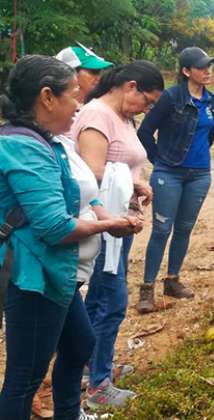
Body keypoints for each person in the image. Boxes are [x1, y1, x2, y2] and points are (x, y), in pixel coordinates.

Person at [0, 55, 139, 420]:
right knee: (24, 378)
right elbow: (54, 228)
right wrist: (108, 226)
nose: (79, 105)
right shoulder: (24, 147)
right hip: (33, 277)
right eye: (73, 95)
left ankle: (69, 414)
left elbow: (79, 193)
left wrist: (105, 213)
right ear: (47, 97)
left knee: (79, 344)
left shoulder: (48, 141)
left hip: (57, 275)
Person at [71, 60, 164, 408]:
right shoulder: (97, 117)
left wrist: (135, 183)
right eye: (147, 100)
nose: (147, 108)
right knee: (112, 303)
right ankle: (98, 386)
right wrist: (126, 194)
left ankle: (88, 365)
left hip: (119, 224)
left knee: (97, 299)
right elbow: (91, 176)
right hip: (105, 226)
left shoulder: (122, 117)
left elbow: (117, 167)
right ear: (130, 86)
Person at [135, 47, 214, 313]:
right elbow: (146, 132)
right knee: (162, 230)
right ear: (186, 71)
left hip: (200, 174)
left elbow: (209, 139)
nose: (207, 70)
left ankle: (172, 280)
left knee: (184, 228)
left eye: (210, 66)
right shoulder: (171, 98)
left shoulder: (213, 103)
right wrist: (160, 160)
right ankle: (147, 288)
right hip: (169, 173)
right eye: (201, 66)